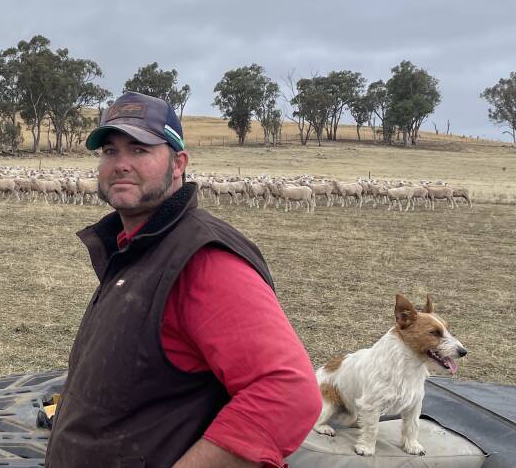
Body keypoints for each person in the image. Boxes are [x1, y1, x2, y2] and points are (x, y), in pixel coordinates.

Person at [45, 92, 321, 468]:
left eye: (140, 150)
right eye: (110, 151)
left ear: (178, 164)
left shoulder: (203, 260)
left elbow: (288, 393)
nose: (121, 164)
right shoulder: (137, 247)